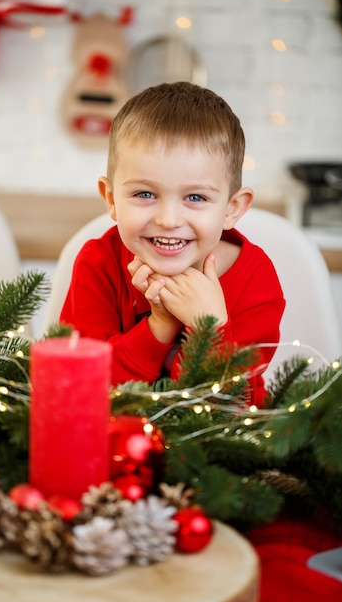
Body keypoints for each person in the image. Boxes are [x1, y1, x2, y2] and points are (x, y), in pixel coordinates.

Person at [60, 81, 285, 404]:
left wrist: (209, 327)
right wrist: (160, 324)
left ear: (231, 209)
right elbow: (82, 390)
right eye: (145, 194)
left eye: (195, 197)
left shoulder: (256, 280)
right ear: (111, 199)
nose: (168, 219)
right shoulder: (99, 263)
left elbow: (232, 412)